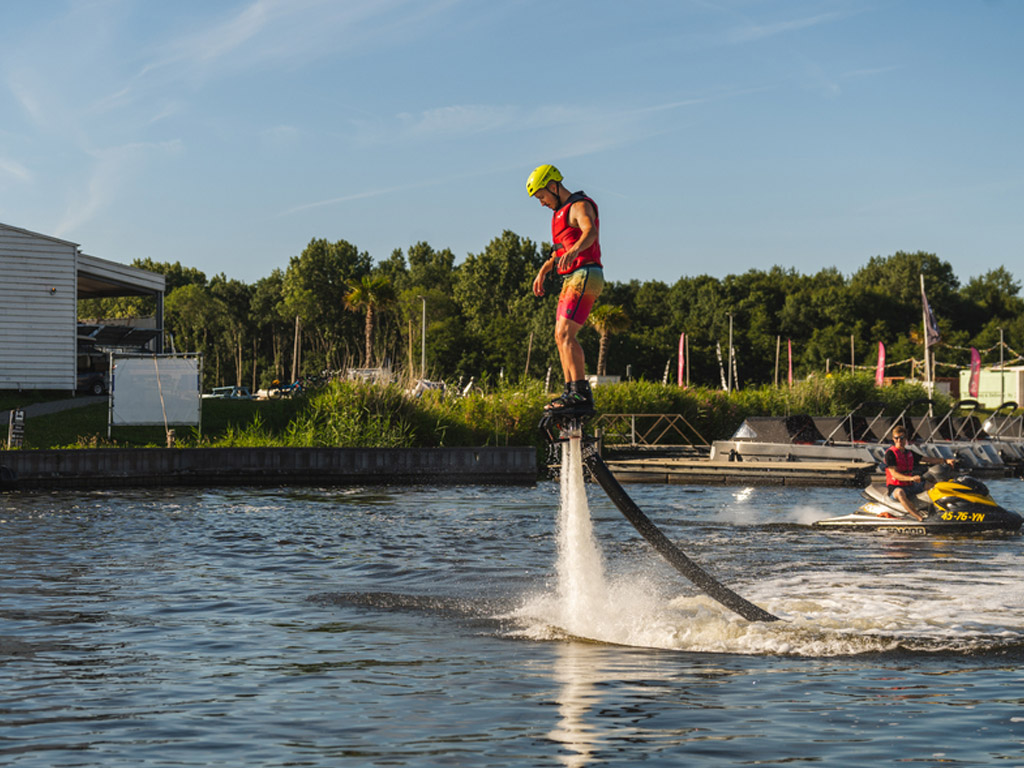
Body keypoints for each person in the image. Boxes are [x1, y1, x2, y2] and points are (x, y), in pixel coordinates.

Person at [526, 164, 605, 415]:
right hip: (571, 277)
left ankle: (580, 392)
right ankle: (571, 390)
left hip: (586, 273)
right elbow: (558, 251)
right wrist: (544, 269)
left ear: (553, 186)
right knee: (559, 336)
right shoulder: (559, 215)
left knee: (566, 334)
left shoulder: (579, 206)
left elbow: (590, 232)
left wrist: (574, 251)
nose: (541, 203)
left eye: (542, 197)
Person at [884, 425, 955, 520]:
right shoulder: (890, 454)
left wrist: (945, 461)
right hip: (895, 487)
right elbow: (894, 474)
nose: (899, 441)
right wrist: (911, 478)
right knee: (900, 493)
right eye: (896, 438)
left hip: (910, 485)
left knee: (934, 486)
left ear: (906, 439)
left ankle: (945, 511)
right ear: (893, 439)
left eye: (902, 438)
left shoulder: (909, 453)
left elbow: (927, 459)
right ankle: (919, 518)